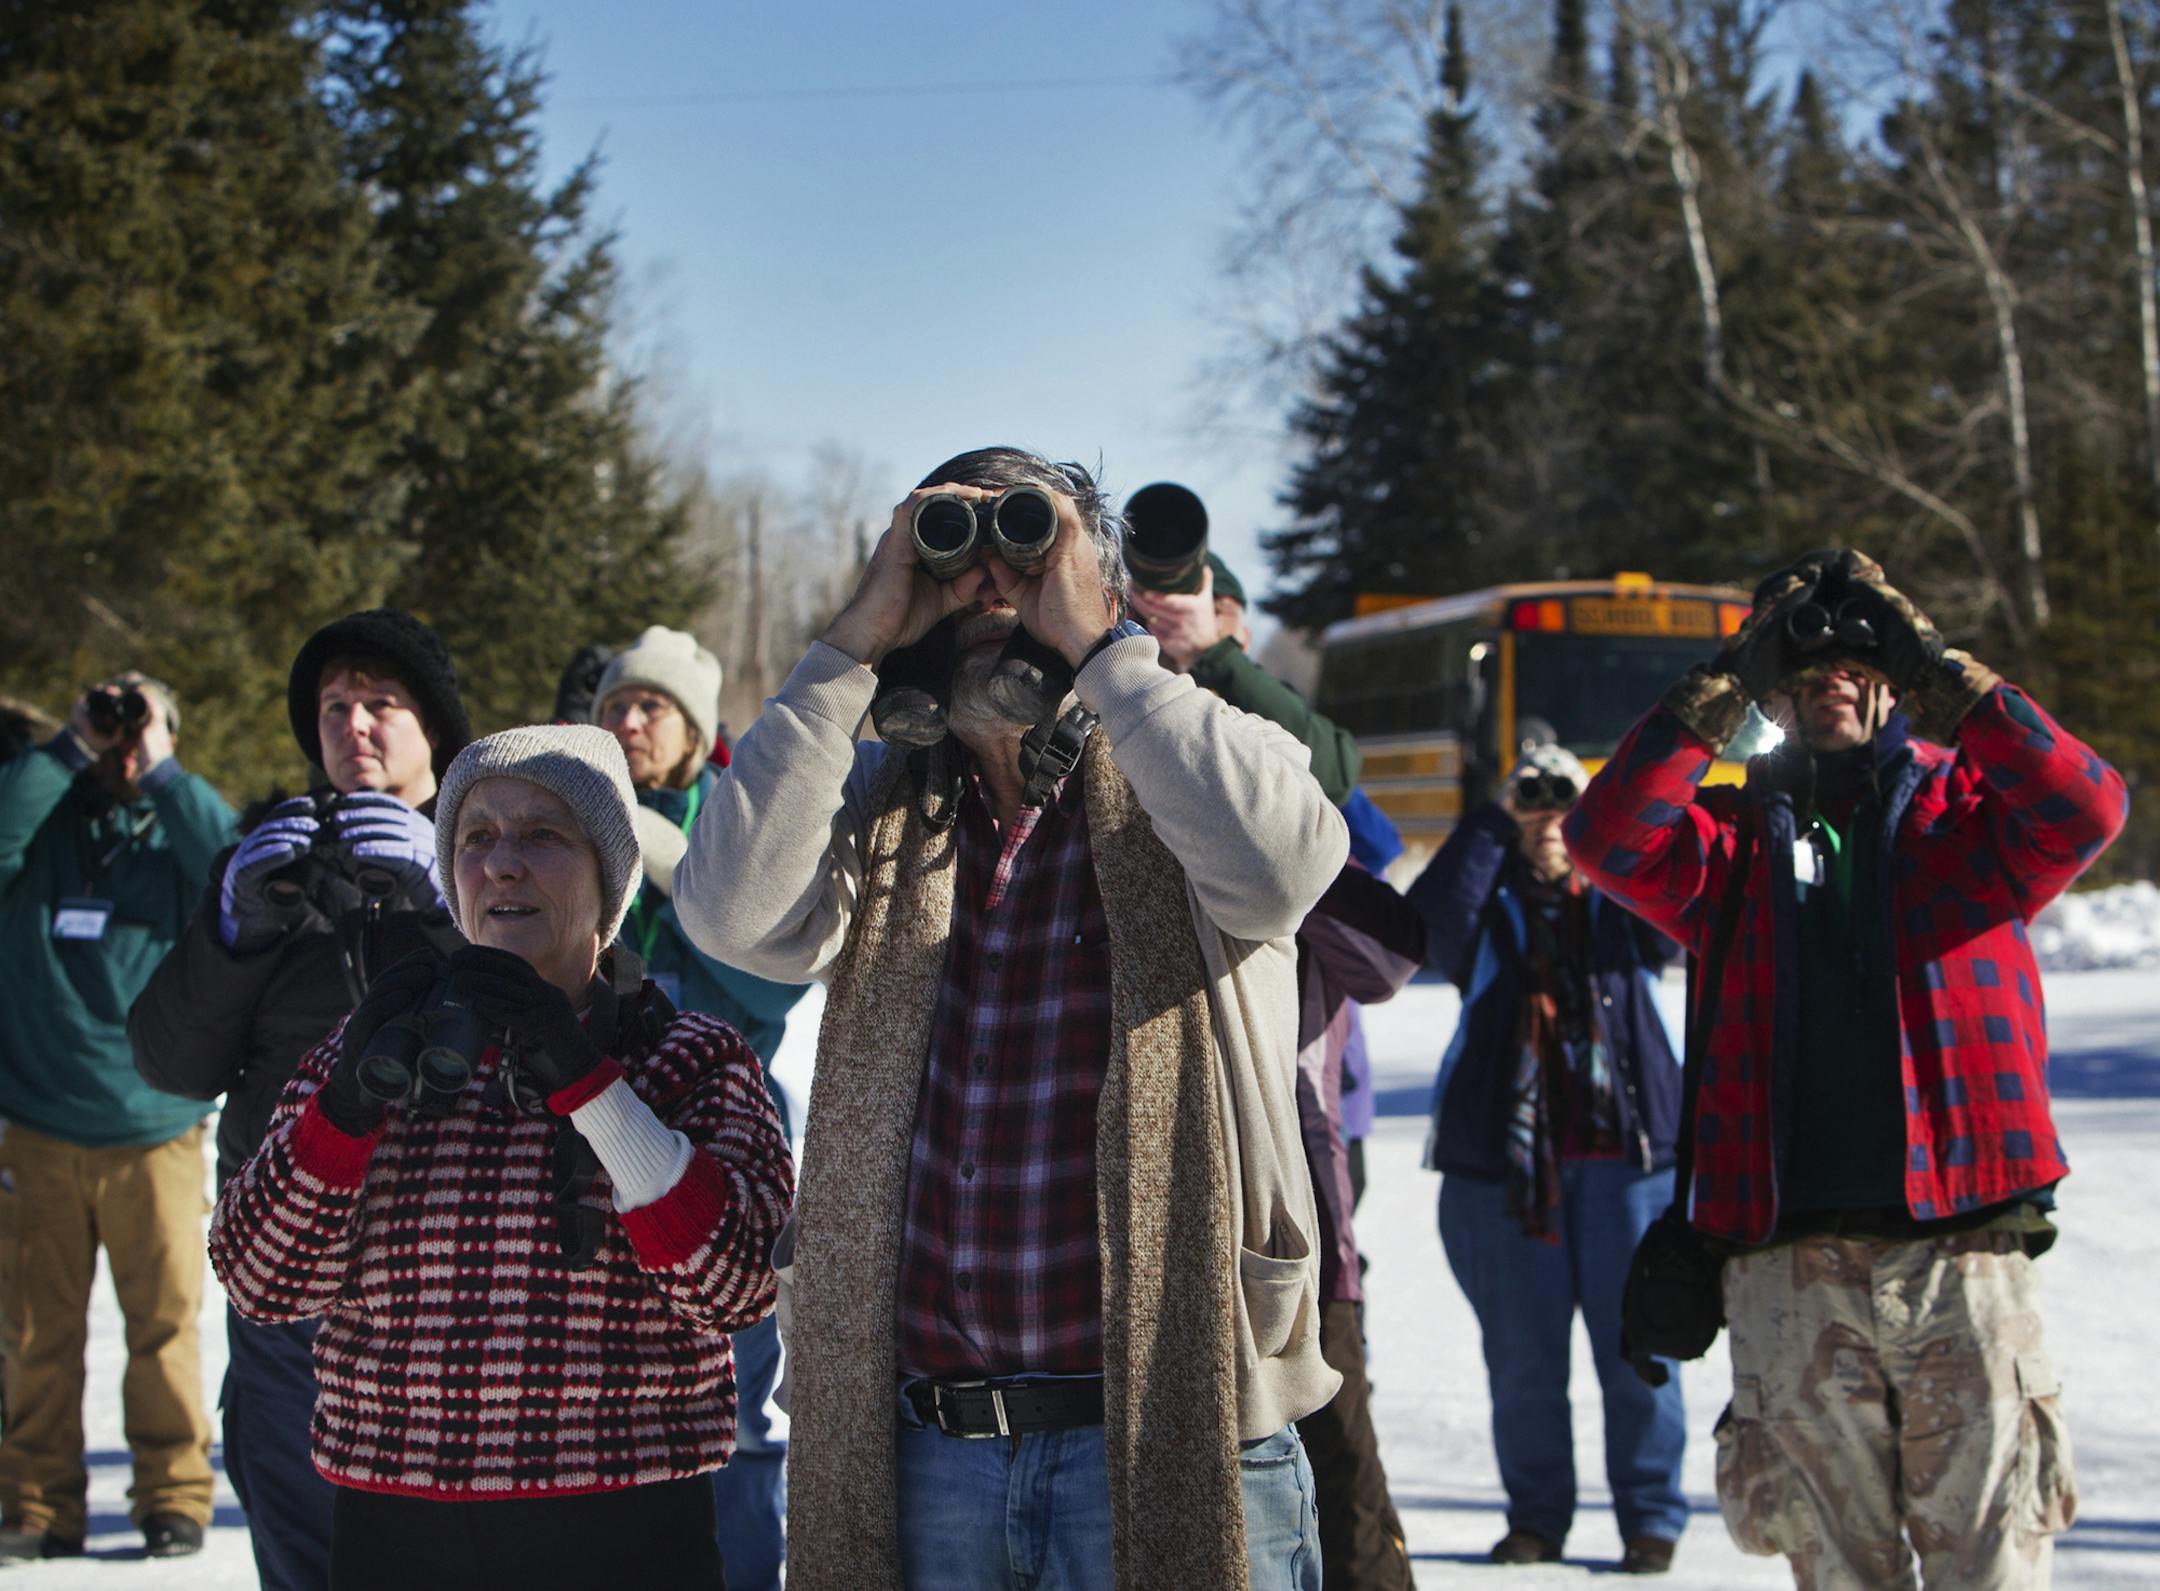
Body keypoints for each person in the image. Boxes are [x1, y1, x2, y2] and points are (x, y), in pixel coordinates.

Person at [673, 447, 1349, 1591]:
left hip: (1176, 1422)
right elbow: (732, 914)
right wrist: (846, 648)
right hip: (931, 1452)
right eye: (953, 555)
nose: (993, 589)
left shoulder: (1196, 774)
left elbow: (1282, 865)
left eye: (1029, 548)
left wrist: (1101, 642)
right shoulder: (884, 815)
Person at [1565, 549, 2126, 1588]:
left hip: (1960, 1257)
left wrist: (1941, 669)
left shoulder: (1974, 820)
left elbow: (2089, 808)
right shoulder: (1726, 842)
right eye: (1807, 660)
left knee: (1993, 1568)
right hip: (1788, 1266)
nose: (1837, 674)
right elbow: (1605, 839)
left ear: (1896, 680)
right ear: (1771, 683)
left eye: (1863, 659)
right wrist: (1721, 684)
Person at [208, 725, 793, 1588]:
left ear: (610, 878)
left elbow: (737, 1283)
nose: (503, 863)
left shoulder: (689, 1058)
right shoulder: (378, 1052)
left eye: (543, 835)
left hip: (626, 1532)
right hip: (393, 1531)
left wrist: (595, 1089)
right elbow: (260, 1278)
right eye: (477, 837)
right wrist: (343, 1110)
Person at [128, 609, 471, 1590]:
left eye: (379, 704)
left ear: (433, 727)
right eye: (333, 707)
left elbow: (578, 1016)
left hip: (444, 1287)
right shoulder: (273, 855)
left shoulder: (504, 840)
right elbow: (168, 1061)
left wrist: (451, 885)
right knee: (304, 1555)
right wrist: (233, 926)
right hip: (288, 1287)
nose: (353, 725)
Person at [1134, 546, 1419, 1589]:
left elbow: (1380, 910)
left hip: (1293, 1189)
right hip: (1148, 1212)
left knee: (1336, 1461)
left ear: (1236, 628)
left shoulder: (1273, 767)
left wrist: (1218, 693)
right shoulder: (1099, 779)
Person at [1407, 743, 1689, 1573]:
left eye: (1568, 805)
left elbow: (1670, 912)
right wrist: (1497, 816)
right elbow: (1429, 928)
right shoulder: (1489, 911)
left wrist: (1605, 815)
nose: (1551, 819)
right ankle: (1536, 1514)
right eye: (1538, 804)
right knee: (1525, 1364)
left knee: (1642, 1356)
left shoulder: (1619, 905)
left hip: (1625, 1168)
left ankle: (1651, 1515)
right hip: (1508, 1176)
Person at [0, 672, 237, 1562]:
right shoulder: (45, 823)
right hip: (36, 1121)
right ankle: (34, 1502)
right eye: (113, 727)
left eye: (144, 728)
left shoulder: (175, 839)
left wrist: (165, 775)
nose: (123, 744)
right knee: (32, 1331)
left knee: (169, 1325)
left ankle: (173, 1494)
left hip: (156, 1129)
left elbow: (235, 868)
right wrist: (67, 747)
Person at [591, 624, 808, 1591]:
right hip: (592, 1152)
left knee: (738, 1408)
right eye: (616, 708)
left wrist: (682, 867)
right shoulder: (568, 825)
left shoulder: (735, 819)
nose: (631, 723)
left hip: (726, 1150)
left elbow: (773, 988)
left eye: (652, 708)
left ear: (693, 726)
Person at [1127, 551, 1361, 804]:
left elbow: (1334, 779)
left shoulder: (1262, 702)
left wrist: (1211, 653)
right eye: (1165, 612)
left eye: (1214, 609)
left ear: (1244, 637)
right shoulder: (1116, 698)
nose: (1184, 623)